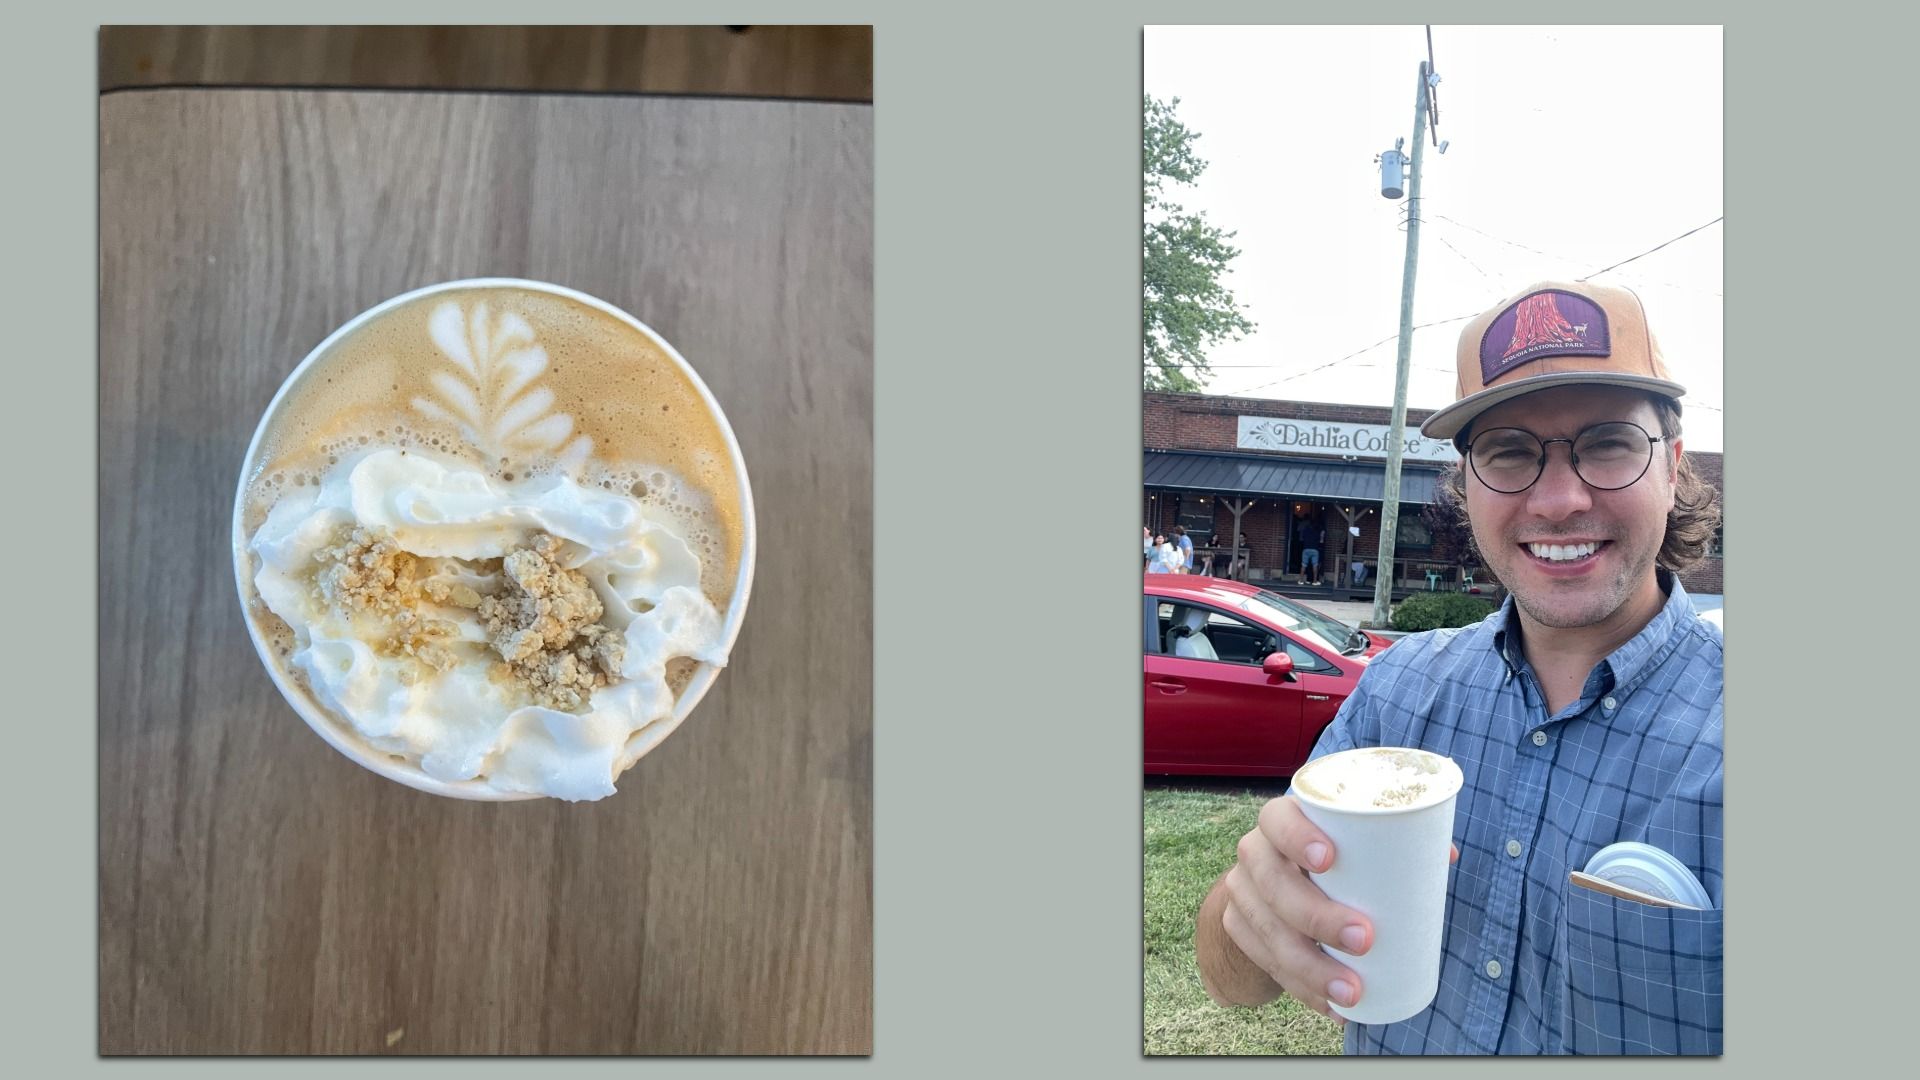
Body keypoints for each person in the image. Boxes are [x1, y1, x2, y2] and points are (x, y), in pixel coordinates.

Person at [1192, 280, 1723, 1055]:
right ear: (1466, 487)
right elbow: (1229, 982)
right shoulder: (1399, 691)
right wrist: (1255, 913)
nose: (1560, 499)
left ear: (1673, 468)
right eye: (1509, 452)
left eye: (1609, 442)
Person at [1296, 515, 1325, 585]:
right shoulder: (1317, 531)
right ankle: (1315, 581)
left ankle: (1300, 580)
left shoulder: (1306, 530)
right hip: (1315, 549)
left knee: (1303, 565)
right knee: (1315, 565)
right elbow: (1321, 541)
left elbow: (1302, 538)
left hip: (1306, 548)